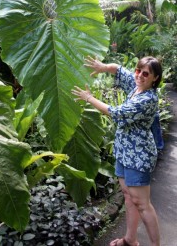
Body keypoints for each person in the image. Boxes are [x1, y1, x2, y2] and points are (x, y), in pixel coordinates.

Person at [71, 56, 163, 246]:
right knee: (128, 197)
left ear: (155, 78)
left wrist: (89, 98)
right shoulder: (138, 86)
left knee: (142, 204)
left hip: (139, 156)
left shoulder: (147, 99)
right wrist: (103, 67)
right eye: (138, 70)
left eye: (145, 73)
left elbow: (116, 112)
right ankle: (130, 240)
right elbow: (119, 69)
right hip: (124, 152)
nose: (139, 75)